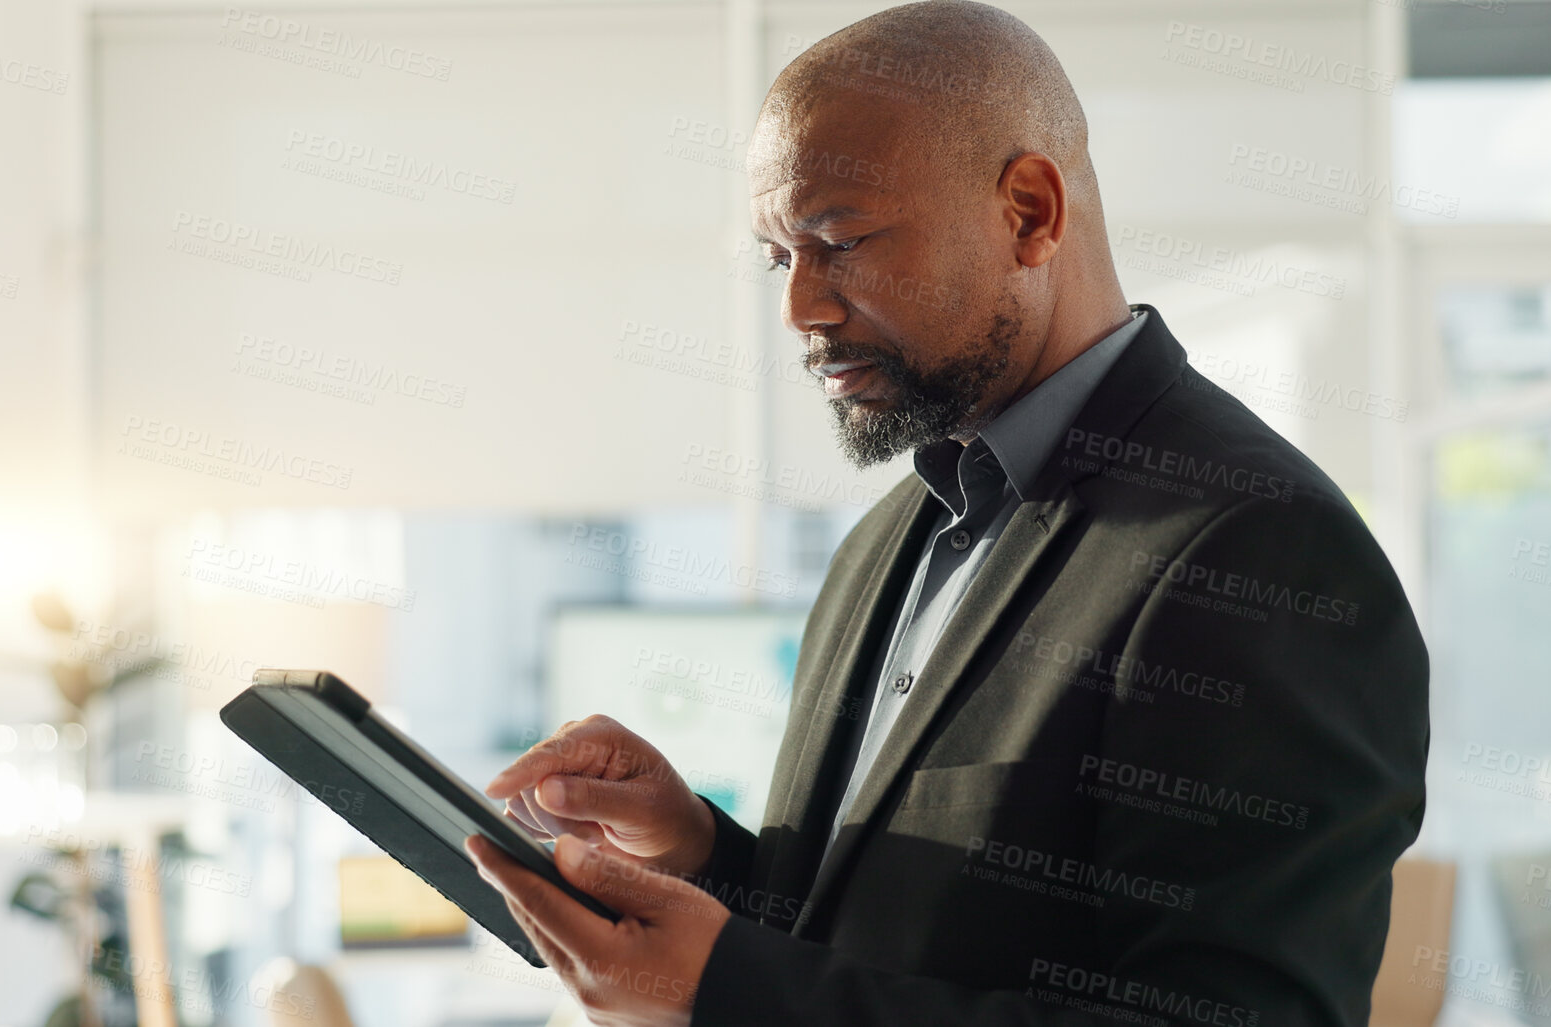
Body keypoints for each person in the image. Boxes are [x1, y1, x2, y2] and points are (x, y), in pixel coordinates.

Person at [463, 3, 1429, 1024]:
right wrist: (694, 849)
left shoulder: (1263, 550)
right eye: (776, 256)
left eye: (838, 239)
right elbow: (871, 935)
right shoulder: (891, 537)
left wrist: (732, 993)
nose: (800, 308)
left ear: (1029, 213)